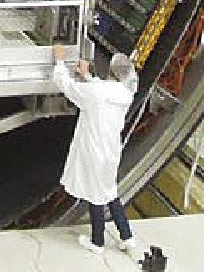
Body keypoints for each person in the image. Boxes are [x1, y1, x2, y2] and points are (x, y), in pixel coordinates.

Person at [52, 45, 140, 255]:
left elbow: (67, 86)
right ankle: (127, 237)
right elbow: (101, 91)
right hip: (110, 152)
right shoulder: (125, 94)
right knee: (109, 192)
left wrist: (59, 62)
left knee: (95, 196)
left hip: (93, 150)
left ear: (110, 70)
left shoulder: (97, 92)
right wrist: (87, 76)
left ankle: (97, 242)